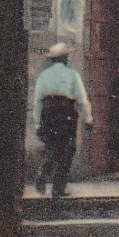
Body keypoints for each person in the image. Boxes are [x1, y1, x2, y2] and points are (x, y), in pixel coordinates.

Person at [32, 42, 92, 198]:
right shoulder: (72, 75)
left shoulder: (43, 76)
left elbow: (37, 100)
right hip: (66, 115)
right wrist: (88, 117)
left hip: (48, 115)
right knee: (68, 150)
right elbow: (82, 98)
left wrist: (37, 123)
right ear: (65, 58)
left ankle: (43, 173)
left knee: (52, 148)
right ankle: (58, 188)